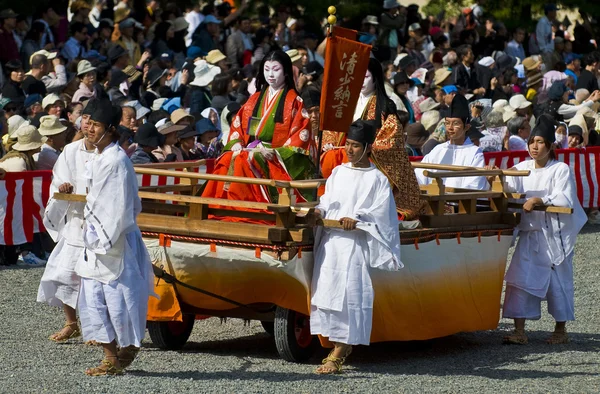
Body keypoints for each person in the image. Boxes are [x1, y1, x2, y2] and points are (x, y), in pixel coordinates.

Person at [311, 119, 402, 375]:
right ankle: (338, 344)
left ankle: (339, 352)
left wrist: (359, 218)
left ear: (368, 147)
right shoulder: (339, 171)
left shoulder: (377, 179)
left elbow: (382, 212)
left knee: (351, 295)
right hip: (332, 242)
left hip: (355, 243)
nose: (349, 150)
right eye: (347, 145)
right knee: (327, 291)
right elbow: (328, 198)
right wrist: (319, 209)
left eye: (354, 146)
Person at [75, 100, 154, 375]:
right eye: (89, 124)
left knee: (119, 299)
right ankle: (111, 356)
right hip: (96, 236)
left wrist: (104, 237)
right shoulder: (99, 156)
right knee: (94, 297)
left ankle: (125, 348)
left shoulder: (117, 160)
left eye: (96, 125)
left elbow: (120, 206)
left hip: (115, 238)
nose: (90, 129)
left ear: (110, 129)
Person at [501, 114, 587, 345]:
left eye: (540, 142)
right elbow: (509, 184)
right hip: (530, 234)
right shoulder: (522, 167)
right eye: (532, 142)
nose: (534, 147)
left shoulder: (560, 169)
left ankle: (561, 330)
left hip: (553, 235)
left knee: (557, 282)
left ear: (550, 145)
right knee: (519, 279)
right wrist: (496, 178)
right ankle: (519, 331)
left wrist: (540, 199)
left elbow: (565, 197)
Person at [201, 50, 315, 205]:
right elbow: (238, 125)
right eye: (267, 69)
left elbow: (300, 138)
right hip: (252, 149)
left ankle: (246, 207)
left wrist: (275, 153)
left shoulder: (294, 101)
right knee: (228, 157)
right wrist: (237, 143)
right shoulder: (255, 99)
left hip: (275, 155)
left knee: (248, 159)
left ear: (286, 72)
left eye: (276, 69)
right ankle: (217, 205)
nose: (271, 75)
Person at [320, 58, 423, 220]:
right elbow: (334, 129)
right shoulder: (345, 101)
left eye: (366, 77)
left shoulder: (385, 105)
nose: (361, 81)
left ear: (375, 78)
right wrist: (330, 143)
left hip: (369, 156)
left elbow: (391, 138)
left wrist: (368, 148)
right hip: (344, 153)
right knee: (329, 159)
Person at [37, 100, 98, 343]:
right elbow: (58, 178)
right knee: (63, 274)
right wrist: (63, 187)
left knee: (94, 279)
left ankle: (98, 328)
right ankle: (71, 322)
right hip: (75, 218)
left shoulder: (109, 153)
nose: (89, 126)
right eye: (86, 120)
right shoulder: (71, 151)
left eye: (94, 123)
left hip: (98, 222)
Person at [415, 94, 488, 190]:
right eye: (447, 123)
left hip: (459, 203)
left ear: (466, 127)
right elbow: (420, 175)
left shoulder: (475, 153)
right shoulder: (438, 149)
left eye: (456, 123)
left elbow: (474, 184)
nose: (450, 128)